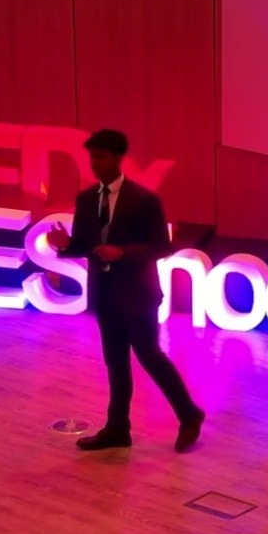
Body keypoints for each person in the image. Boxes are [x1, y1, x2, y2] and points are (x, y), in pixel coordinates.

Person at [46, 129, 204, 453]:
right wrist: (65, 246)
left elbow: (161, 246)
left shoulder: (144, 200)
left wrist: (121, 253)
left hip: (138, 294)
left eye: (101, 156)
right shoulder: (86, 199)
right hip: (105, 294)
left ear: (118, 158)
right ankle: (117, 428)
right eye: (92, 156)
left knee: (149, 355)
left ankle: (189, 414)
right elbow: (86, 245)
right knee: (115, 361)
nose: (95, 163)